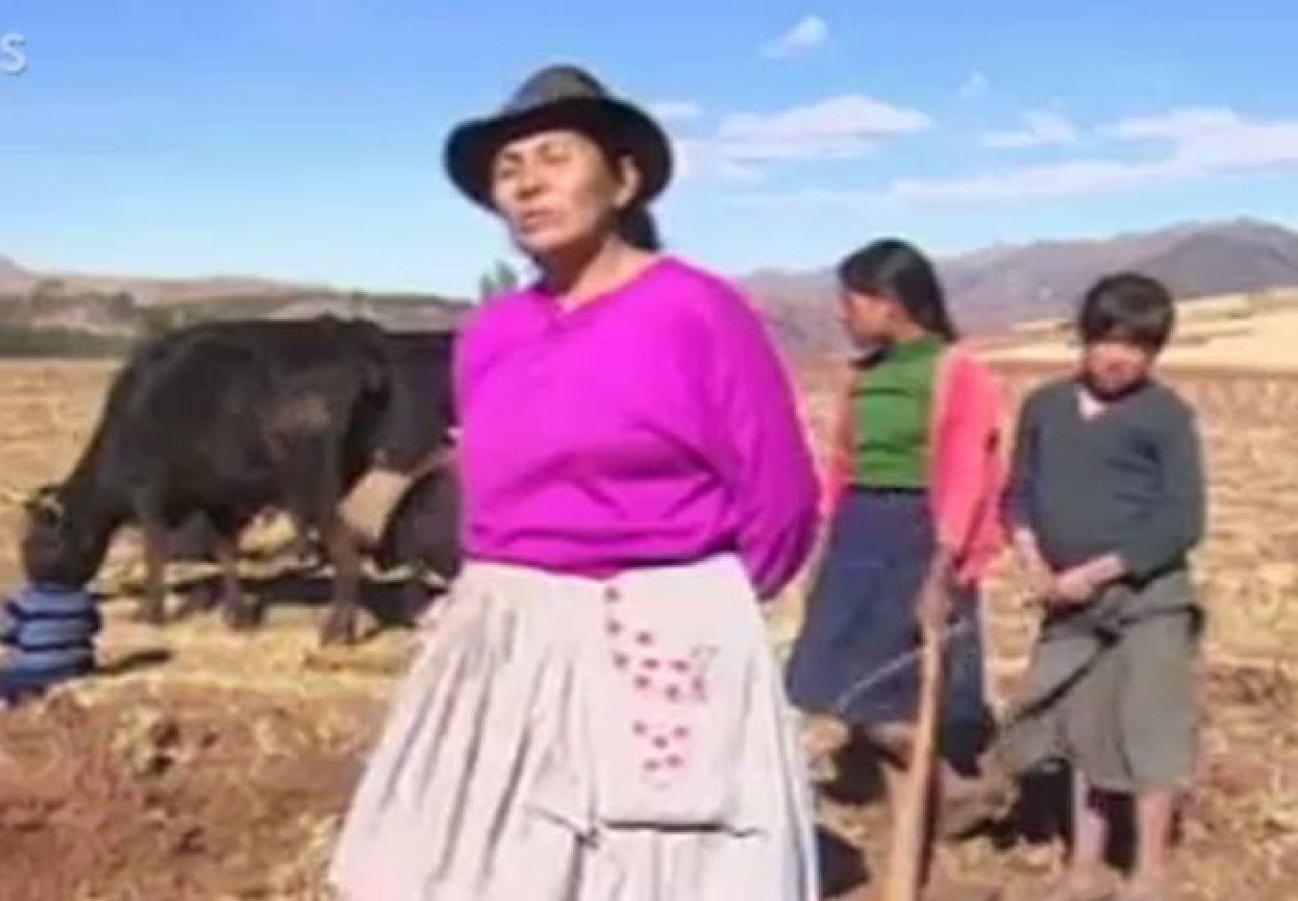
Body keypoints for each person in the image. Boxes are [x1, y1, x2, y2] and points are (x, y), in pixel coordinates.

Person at [327, 63, 823, 900]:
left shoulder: (697, 310)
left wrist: (703, 616)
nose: (527, 185)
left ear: (623, 178)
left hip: (661, 634)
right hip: (508, 627)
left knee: (649, 868)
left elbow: (779, 498)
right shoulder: (492, 332)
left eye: (554, 157)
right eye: (508, 170)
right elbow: (492, 490)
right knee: (472, 864)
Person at [783, 239, 1010, 881]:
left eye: (851, 299)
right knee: (834, 681)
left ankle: (951, 792)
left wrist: (944, 558)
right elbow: (843, 462)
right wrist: (827, 534)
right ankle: (942, 789)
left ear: (891, 301)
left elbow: (967, 465)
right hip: (860, 529)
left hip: (923, 531)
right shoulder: (863, 375)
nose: (841, 313)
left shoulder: (954, 369)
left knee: (907, 687)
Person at [999, 273, 1206, 901]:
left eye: (1139, 346)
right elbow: (1020, 493)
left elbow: (1181, 519)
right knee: (1081, 731)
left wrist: (1096, 573)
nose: (1120, 357)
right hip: (1067, 603)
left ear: (1155, 353)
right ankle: (1084, 868)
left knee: (1151, 729)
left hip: (1148, 600)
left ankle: (1149, 874)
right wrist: (1033, 559)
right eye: (1108, 339)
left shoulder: (1165, 416)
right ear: (1084, 338)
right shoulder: (1046, 406)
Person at [0, 495, 103, 708]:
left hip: (34, 669)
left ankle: (2, 703)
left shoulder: (23, 602)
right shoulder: (83, 599)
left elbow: (0, 632)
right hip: (79, 667)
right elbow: (94, 626)